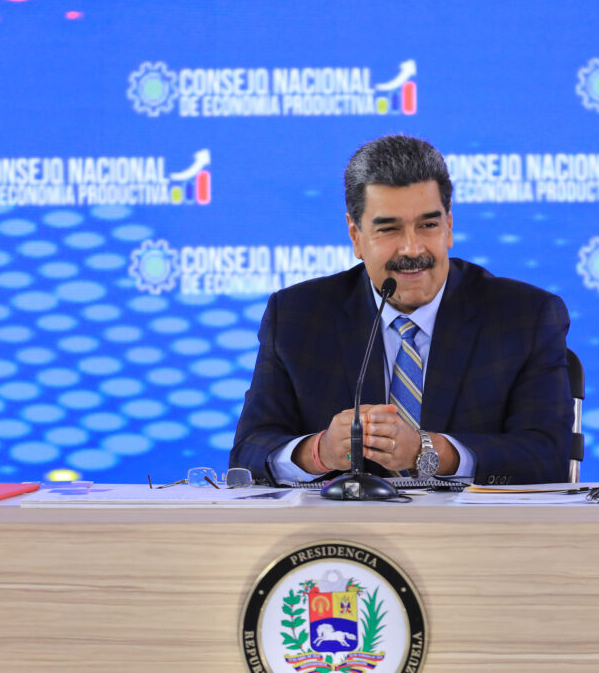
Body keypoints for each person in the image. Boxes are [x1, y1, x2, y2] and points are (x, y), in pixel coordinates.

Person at [231, 134, 572, 486]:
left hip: (478, 536)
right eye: (389, 229)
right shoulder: (297, 316)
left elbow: (547, 457)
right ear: (356, 235)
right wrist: (320, 452)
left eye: (428, 225)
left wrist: (429, 451)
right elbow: (248, 455)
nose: (412, 249)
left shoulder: (525, 316)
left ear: (449, 227)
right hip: (344, 536)